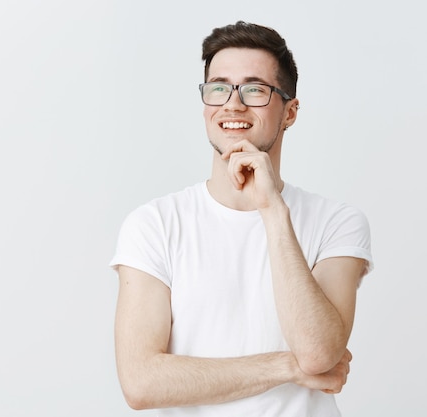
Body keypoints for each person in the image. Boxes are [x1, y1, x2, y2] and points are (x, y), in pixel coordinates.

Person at [109, 21, 373, 417]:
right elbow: (141, 383)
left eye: (255, 89)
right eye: (219, 87)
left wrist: (272, 209)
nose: (232, 104)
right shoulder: (154, 224)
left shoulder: (337, 222)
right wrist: (286, 366)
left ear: (290, 112)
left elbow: (318, 353)